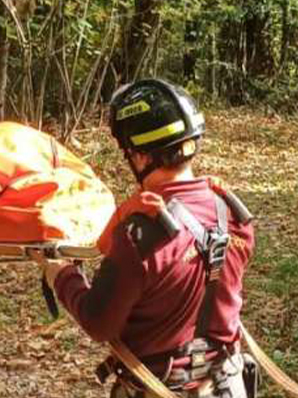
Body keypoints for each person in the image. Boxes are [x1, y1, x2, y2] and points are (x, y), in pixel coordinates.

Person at [37, 79, 256, 398]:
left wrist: (60, 274)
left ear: (140, 157)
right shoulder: (234, 214)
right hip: (226, 385)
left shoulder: (139, 236)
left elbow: (99, 322)